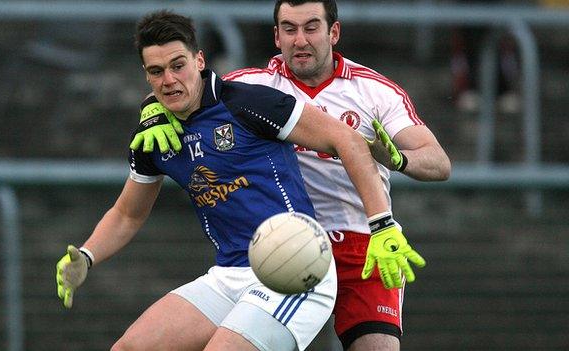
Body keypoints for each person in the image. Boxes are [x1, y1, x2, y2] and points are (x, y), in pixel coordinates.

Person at [56, 9, 426, 351]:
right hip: (229, 274)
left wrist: (382, 223)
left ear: (199, 61)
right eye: (156, 72)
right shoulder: (154, 138)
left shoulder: (248, 102)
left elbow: (345, 138)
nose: (168, 80)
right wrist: (86, 257)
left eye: (178, 65)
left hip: (296, 270)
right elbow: (127, 215)